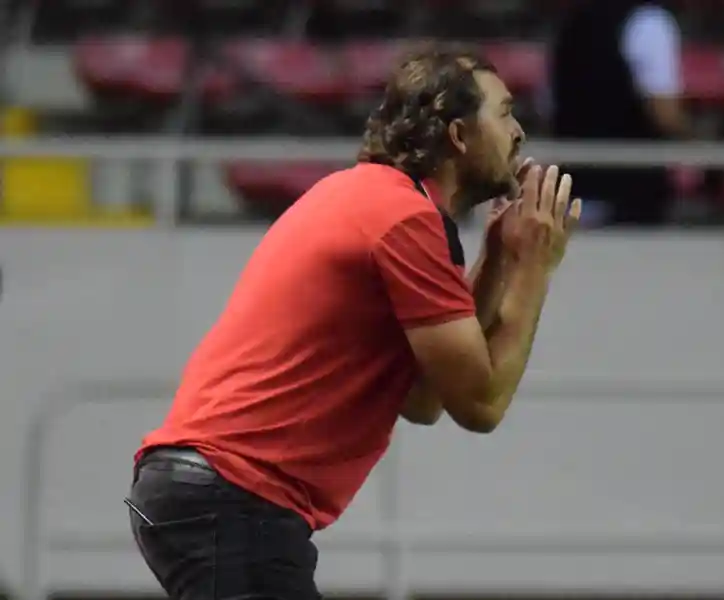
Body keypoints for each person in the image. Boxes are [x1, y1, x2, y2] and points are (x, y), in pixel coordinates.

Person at [125, 43, 583, 600]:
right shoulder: (405, 222)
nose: (520, 132)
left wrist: (499, 260)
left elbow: (424, 400)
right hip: (233, 495)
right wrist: (536, 265)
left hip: (209, 494)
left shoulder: (378, 201)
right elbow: (480, 404)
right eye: (506, 112)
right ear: (459, 136)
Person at [549, 0, 691, 227]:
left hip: (575, 192)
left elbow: (550, 106)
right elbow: (665, 113)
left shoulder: (570, 23)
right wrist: (699, 140)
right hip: (631, 194)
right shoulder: (649, 21)